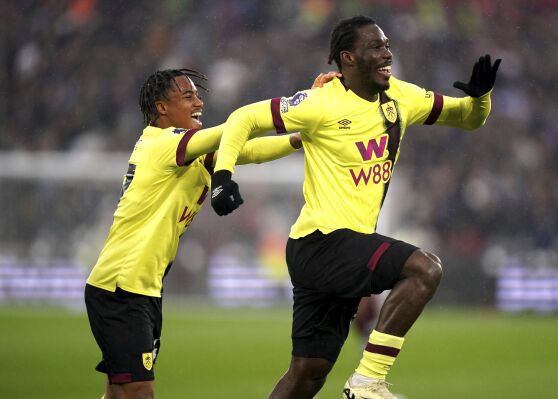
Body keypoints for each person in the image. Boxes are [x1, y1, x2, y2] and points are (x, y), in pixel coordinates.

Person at [209, 15, 500, 399]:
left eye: (387, 45)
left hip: (333, 250)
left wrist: (480, 97)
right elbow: (244, 118)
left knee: (308, 374)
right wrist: (223, 175)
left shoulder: (402, 96)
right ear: (347, 58)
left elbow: (467, 119)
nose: (387, 54)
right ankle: (368, 381)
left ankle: (362, 381)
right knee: (425, 270)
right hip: (322, 241)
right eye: (375, 47)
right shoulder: (321, 103)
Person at [84, 68, 339, 399]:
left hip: (141, 288)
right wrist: (305, 103)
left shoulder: (186, 150)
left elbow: (250, 150)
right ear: (161, 107)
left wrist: (302, 135)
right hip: (121, 287)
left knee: (119, 392)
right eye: (188, 96)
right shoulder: (162, 144)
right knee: (139, 392)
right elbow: (234, 129)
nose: (199, 102)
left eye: (198, 95)